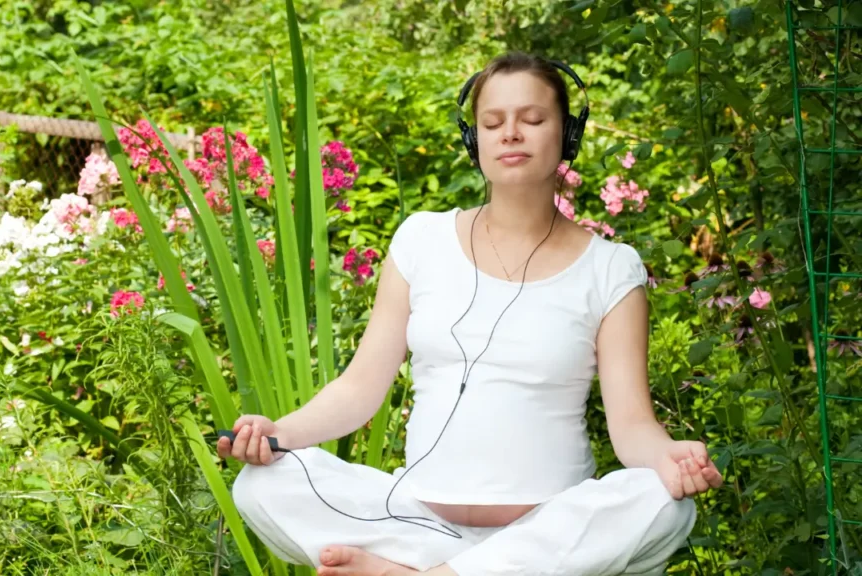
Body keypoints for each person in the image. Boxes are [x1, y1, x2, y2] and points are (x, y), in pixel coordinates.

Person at [215, 51, 723, 576]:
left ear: (568, 135)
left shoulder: (611, 268)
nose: (511, 134)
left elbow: (632, 425)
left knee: (663, 500)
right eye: (493, 122)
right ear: (473, 138)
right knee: (262, 484)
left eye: (532, 119)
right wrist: (276, 434)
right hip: (415, 523)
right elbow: (359, 389)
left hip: (546, 531)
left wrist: (668, 457)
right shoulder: (421, 239)